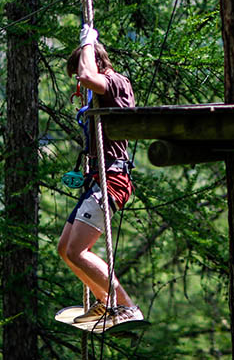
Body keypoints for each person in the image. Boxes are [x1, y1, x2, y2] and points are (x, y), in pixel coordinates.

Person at [57, 25, 143, 329]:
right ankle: (107, 303)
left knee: (77, 250)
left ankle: (125, 306)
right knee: (65, 249)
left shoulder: (116, 83)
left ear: (97, 62)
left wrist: (87, 44)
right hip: (97, 178)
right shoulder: (102, 89)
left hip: (111, 178)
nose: (80, 88)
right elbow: (86, 78)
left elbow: (87, 76)